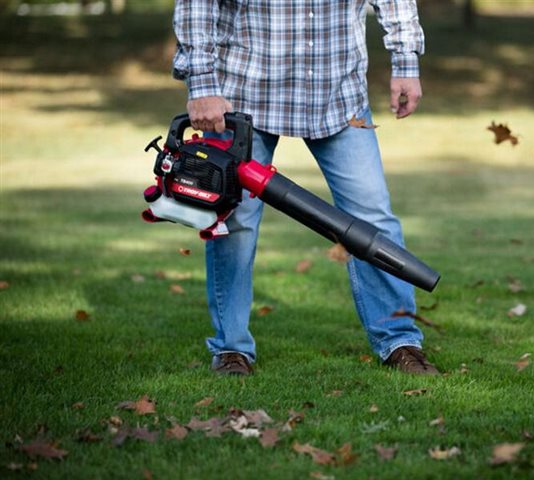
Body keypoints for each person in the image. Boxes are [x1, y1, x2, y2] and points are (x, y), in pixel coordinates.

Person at [172, 0, 439, 376]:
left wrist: (406, 63)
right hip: (246, 93)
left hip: (339, 94)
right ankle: (231, 348)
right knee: (236, 222)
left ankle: (399, 340)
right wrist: (201, 83)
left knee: (372, 216)